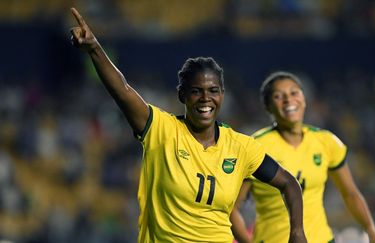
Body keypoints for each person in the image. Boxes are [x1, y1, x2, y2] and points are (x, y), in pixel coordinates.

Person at [69, 8, 307, 243]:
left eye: (213, 91)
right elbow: (123, 91)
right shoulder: (161, 130)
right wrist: (94, 48)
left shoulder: (241, 147)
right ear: (182, 95)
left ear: (222, 95)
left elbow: (289, 184)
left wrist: (297, 232)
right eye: (196, 91)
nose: (205, 98)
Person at [230, 72, 375, 243]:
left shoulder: (326, 142)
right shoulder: (255, 147)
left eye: (294, 93)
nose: (288, 100)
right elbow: (231, 208)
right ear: (268, 106)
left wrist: (371, 230)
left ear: (304, 99)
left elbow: (350, 193)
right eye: (278, 96)